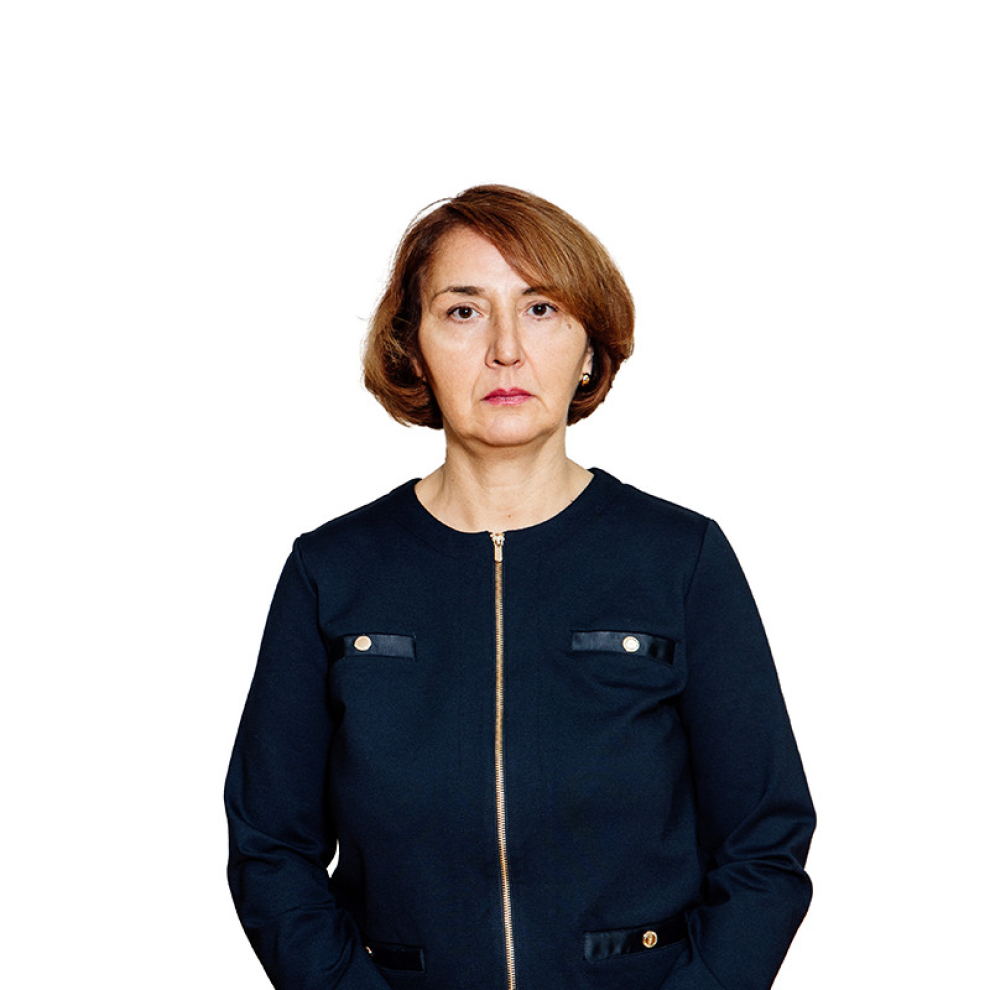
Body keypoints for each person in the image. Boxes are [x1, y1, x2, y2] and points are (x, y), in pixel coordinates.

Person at [224, 185, 815, 990]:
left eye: (541, 309)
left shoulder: (681, 559)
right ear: (413, 347)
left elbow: (765, 844)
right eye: (464, 312)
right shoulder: (331, 571)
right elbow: (269, 849)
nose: (506, 349)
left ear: (589, 348)